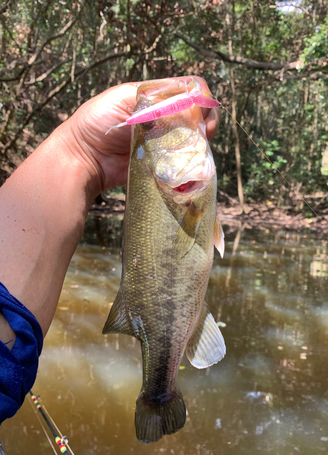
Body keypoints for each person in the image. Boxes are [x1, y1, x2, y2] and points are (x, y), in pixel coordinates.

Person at [0, 76, 221, 422]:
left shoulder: (185, 193)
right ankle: (159, 393)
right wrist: (81, 149)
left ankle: (159, 390)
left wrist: (83, 150)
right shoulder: (186, 193)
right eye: (152, 128)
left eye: (154, 126)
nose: (160, 123)